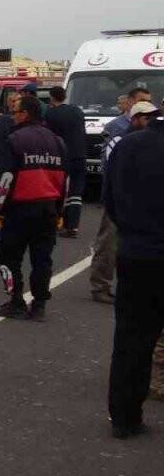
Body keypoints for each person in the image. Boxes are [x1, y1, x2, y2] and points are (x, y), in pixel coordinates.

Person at [102, 104, 164, 439]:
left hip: (137, 253)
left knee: (132, 339)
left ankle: (125, 417)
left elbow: (109, 200)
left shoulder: (128, 145)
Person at [0, 95, 66, 321]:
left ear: (25, 114)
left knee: (7, 258)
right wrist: (59, 211)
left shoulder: (14, 140)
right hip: (48, 209)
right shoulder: (58, 141)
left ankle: (16, 301)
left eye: (15, 112)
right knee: (42, 259)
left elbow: (4, 178)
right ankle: (39, 305)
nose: (12, 116)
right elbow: (65, 181)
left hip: (19, 209)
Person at [90, 89, 152, 302]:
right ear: (131, 102)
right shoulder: (117, 128)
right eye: (143, 101)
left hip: (141, 196)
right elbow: (110, 165)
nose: (148, 106)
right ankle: (100, 286)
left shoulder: (147, 128)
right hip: (120, 195)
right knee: (109, 242)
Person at [44, 86, 86, 237]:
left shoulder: (51, 114)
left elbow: (49, 136)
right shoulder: (77, 111)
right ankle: (72, 226)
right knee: (76, 192)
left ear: (51, 97)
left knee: (59, 191)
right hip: (80, 155)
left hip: (62, 156)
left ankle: (56, 223)